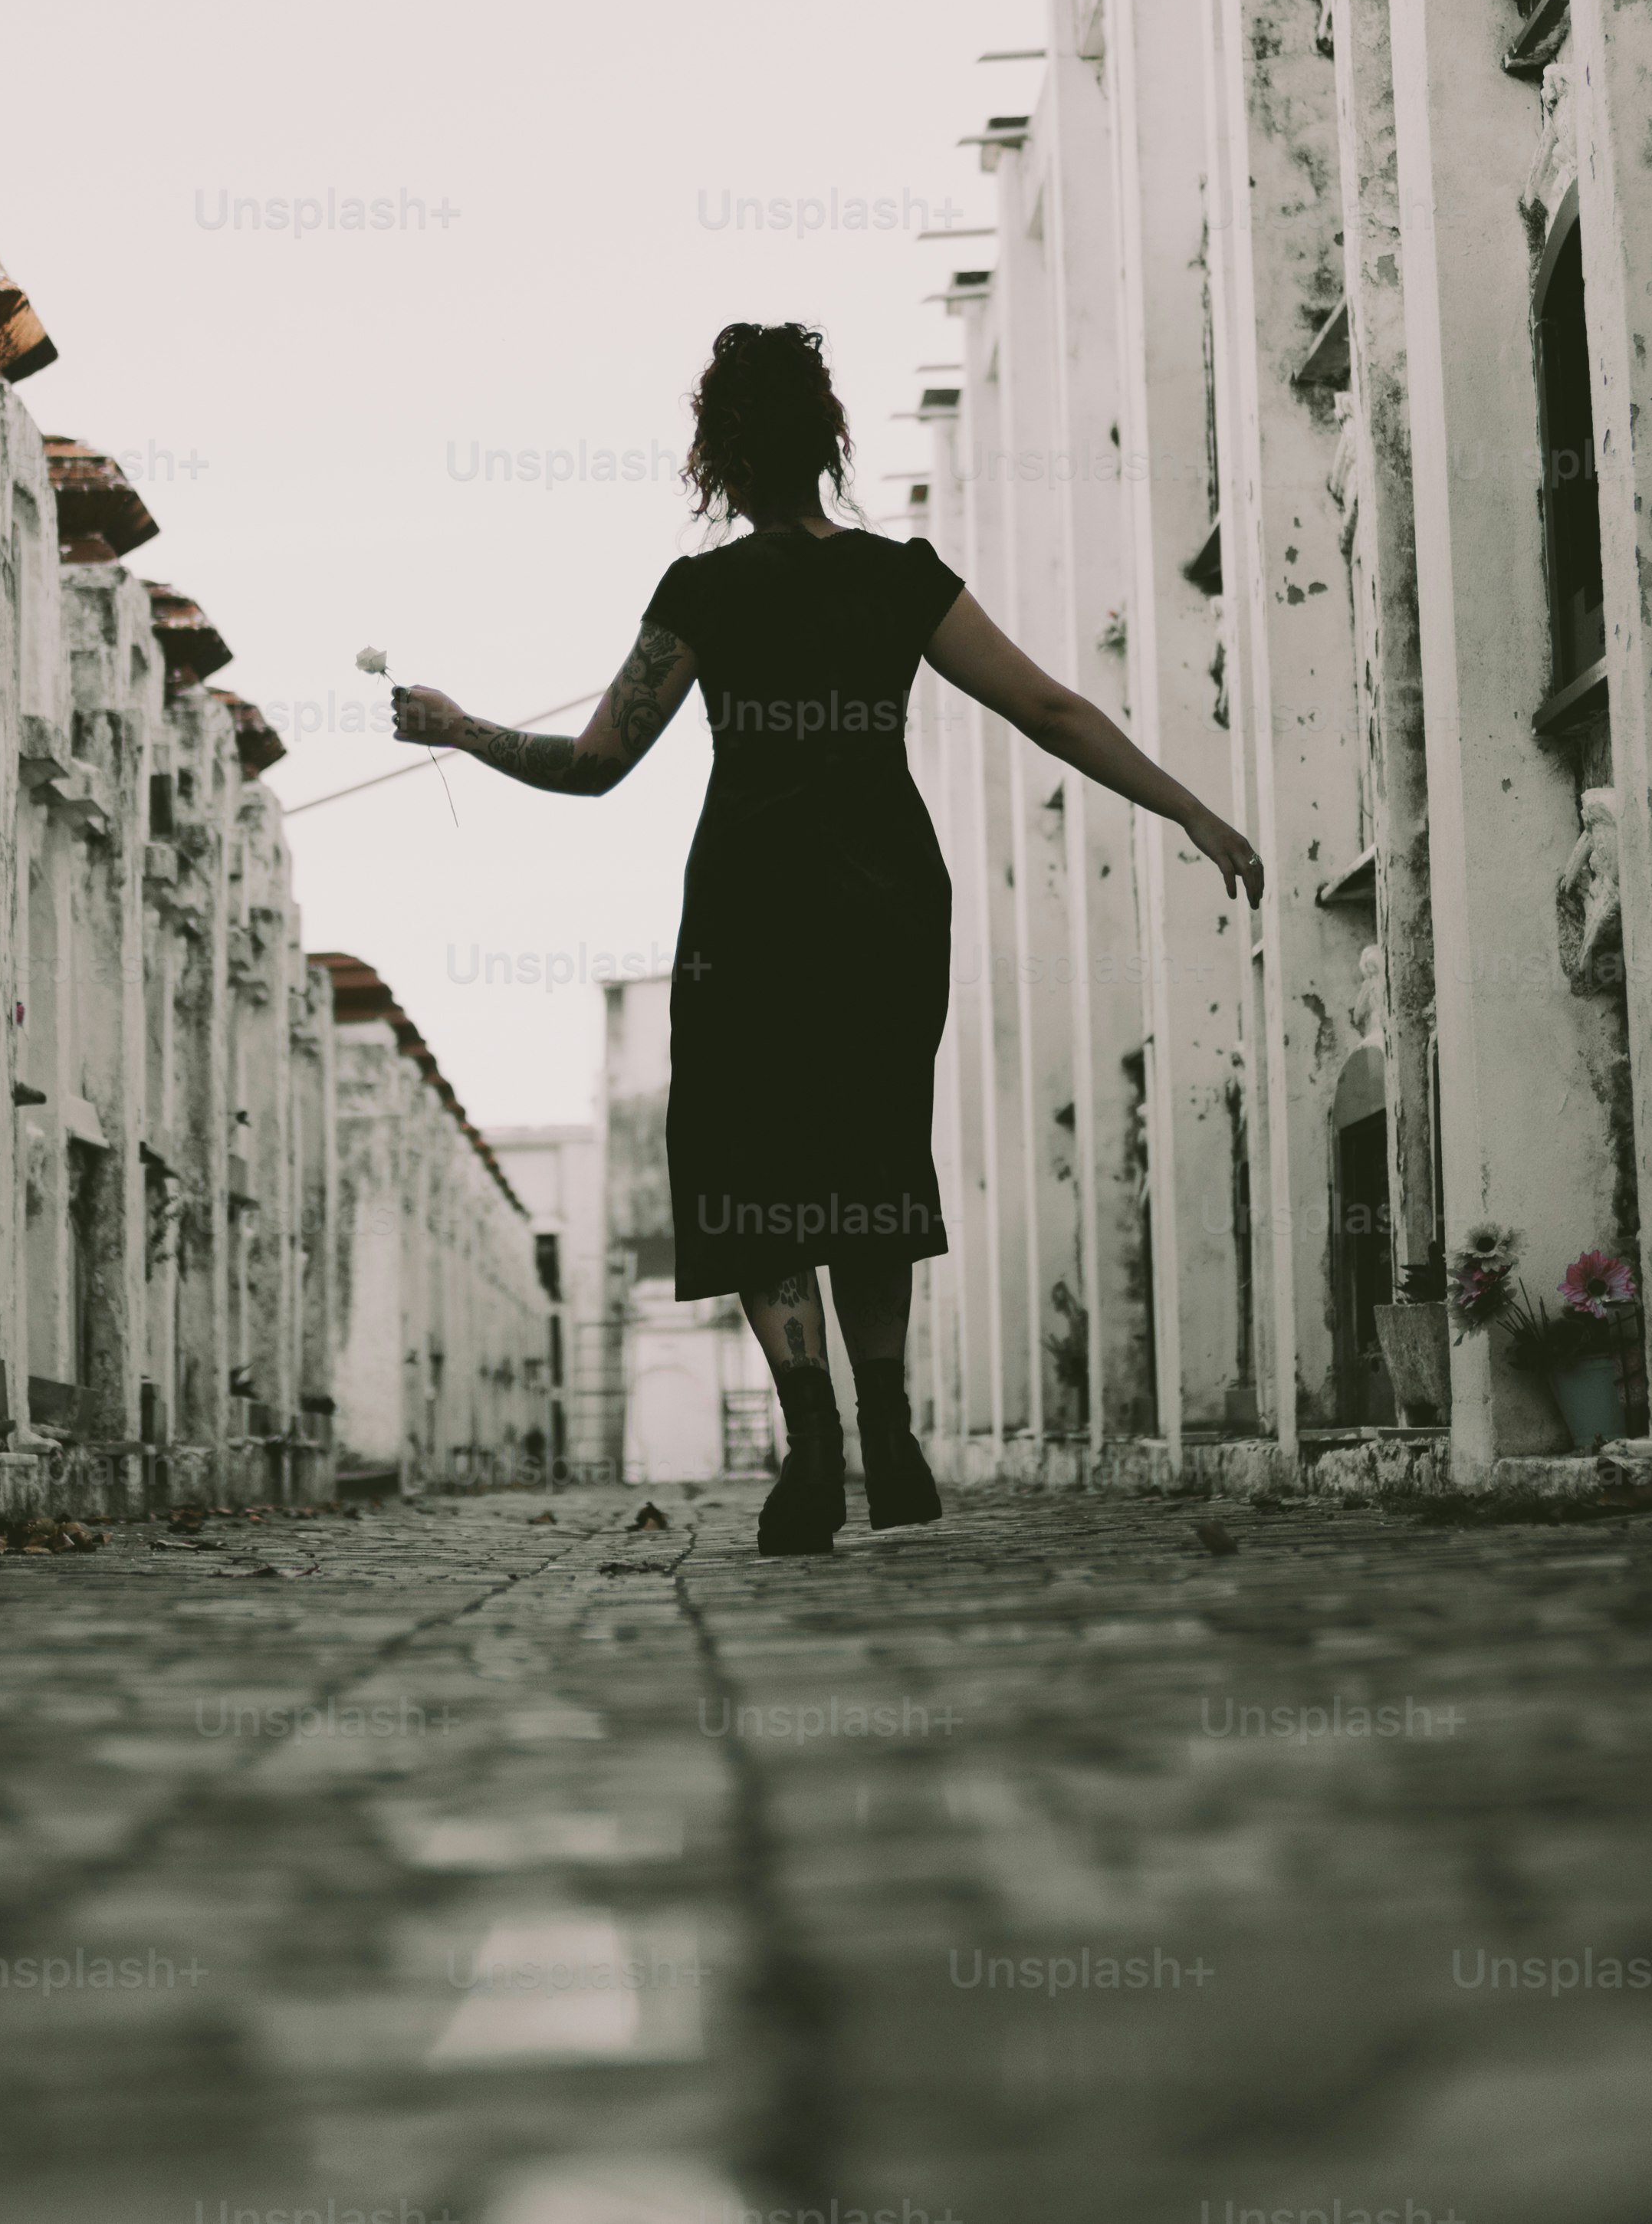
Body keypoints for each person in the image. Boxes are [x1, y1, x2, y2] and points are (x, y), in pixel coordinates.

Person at [389, 321, 1260, 1554]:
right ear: (828, 440)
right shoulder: (902, 579)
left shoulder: (703, 592)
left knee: (754, 1161)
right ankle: (891, 1429)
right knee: (868, 1152)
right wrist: (1192, 811)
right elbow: (1051, 709)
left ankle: (813, 1442)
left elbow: (592, 766)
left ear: (719, 460)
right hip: (889, 901)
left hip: (751, 904)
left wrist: (457, 724)